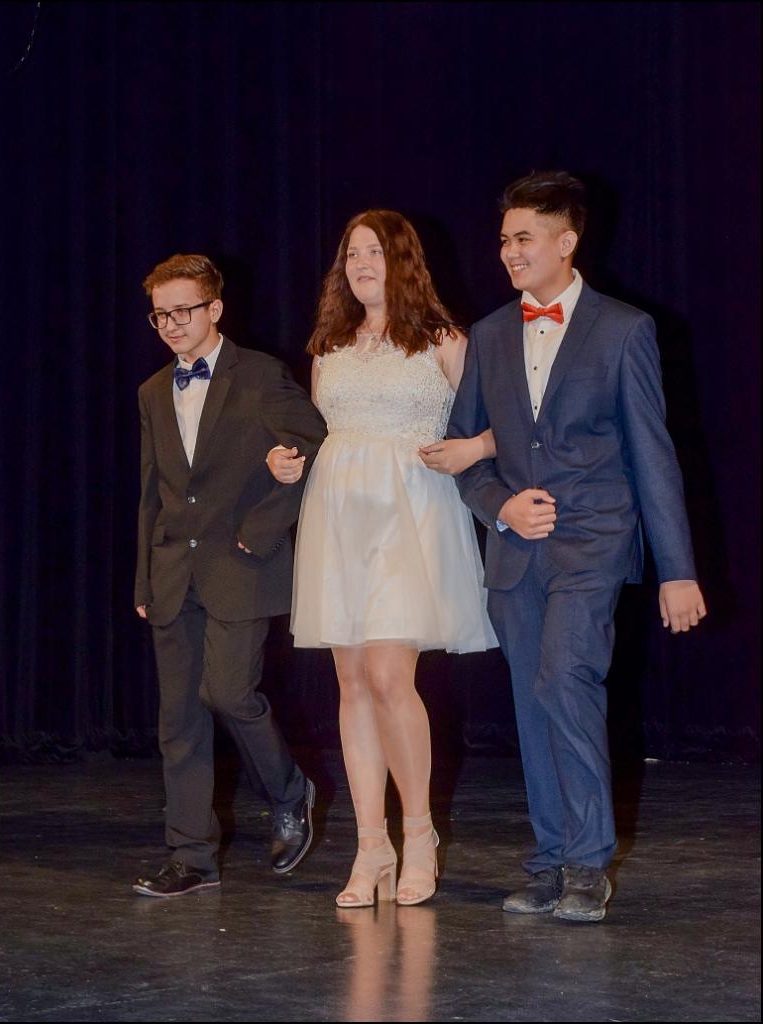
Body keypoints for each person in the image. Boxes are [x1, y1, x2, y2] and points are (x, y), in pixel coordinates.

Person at [448, 171, 707, 922]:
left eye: (524, 238)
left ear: (566, 242)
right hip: (515, 553)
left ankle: (587, 864)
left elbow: (652, 455)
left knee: (565, 679)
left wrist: (677, 571)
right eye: (504, 239)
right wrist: (500, 506)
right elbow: (468, 458)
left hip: (592, 543)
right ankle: (550, 859)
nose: (509, 252)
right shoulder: (489, 334)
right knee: (533, 702)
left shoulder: (623, 330)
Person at [267, 211, 497, 907]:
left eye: (374, 251)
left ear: (403, 260)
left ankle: (419, 835)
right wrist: (286, 462)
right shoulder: (329, 345)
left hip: (411, 516)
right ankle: (372, 847)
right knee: (352, 681)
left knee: (391, 676)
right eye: (351, 253)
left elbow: (504, 423)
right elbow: (317, 435)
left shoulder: (444, 340)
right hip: (340, 518)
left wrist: (472, 448)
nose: (361, 263)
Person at [133, 253, 327, 897]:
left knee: (228, 693)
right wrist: (143, 580)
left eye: (183, 311)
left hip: (241, 565)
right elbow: (152, 493)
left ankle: (290, 789)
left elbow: (315, 444)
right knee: (179, 719)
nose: (171, 324)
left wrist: (264, 524)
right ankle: (191, 856)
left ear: (215, 309)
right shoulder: (153, 391)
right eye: (160, 315)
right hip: (172, 572)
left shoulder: (260, 375)